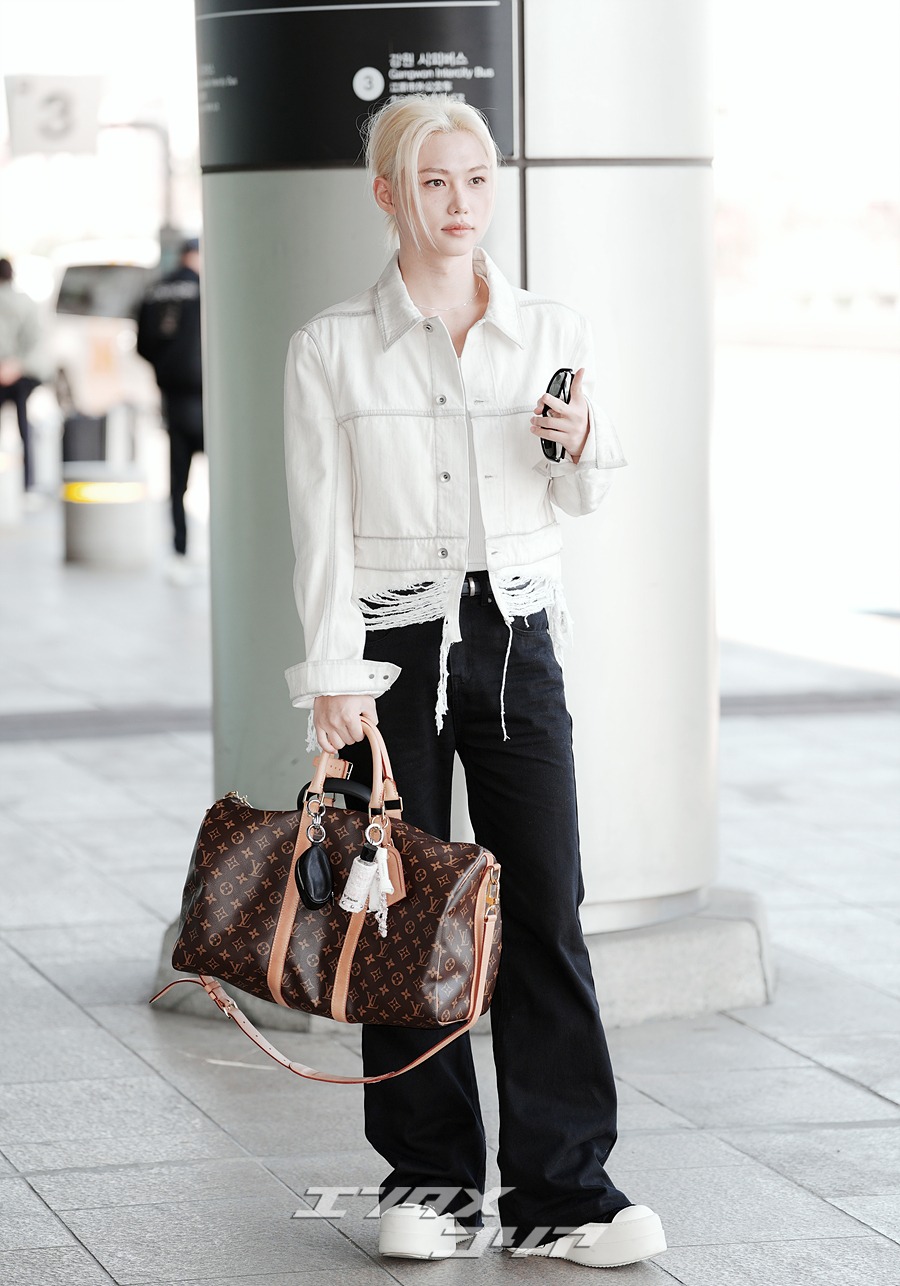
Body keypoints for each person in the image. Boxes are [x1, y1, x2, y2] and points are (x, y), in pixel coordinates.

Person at [283, 96, 666, 1269]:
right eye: (435, 182)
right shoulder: (331, 345)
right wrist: (335, 677)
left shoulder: (547, 323)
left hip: (516, 637)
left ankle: (566, 1190)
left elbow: (582, 492)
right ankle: (431, 1181)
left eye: (478, 180)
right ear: (389, 193)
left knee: (545, 902)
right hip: (389, 646)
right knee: (403, 912)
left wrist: (583, 437)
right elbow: (319, 525)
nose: (461, 204)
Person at [137, 236, 203, 581]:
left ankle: (180, 551)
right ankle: (226, 553)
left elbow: (143, 344)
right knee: (223, 482)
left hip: (173, 398)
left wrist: (165, 366)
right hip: (207, 398)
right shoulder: (206, 289)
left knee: (178, 483)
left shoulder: (156, 290)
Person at [0, 256, 48, 496]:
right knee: (24, 427)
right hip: (22, 373)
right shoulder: (26, 302)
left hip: (6, 373)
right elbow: (37, 341)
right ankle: (29, 482)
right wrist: (16, 365)